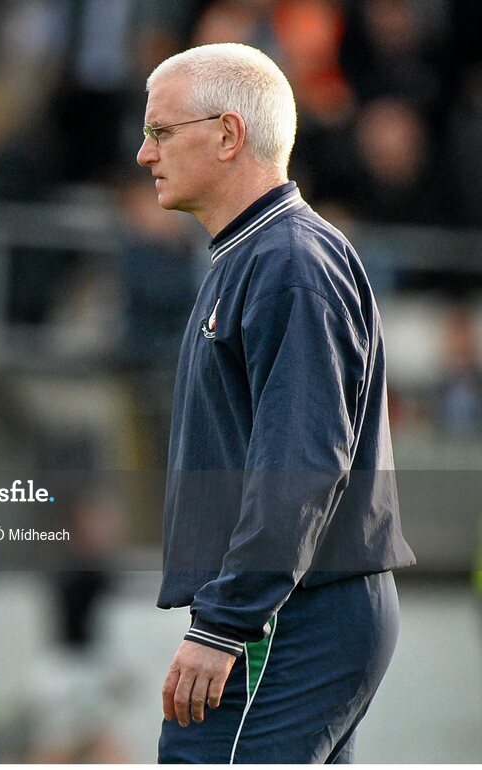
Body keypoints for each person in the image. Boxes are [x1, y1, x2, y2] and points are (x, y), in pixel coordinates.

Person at [135, 42, 415, 762]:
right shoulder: (256, 255)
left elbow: (301, 462)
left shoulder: (287, 262)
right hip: (291, 612)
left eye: (161, 131)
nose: (144, 153)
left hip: (288, 618)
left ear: (228, 135)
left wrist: (225, 623)